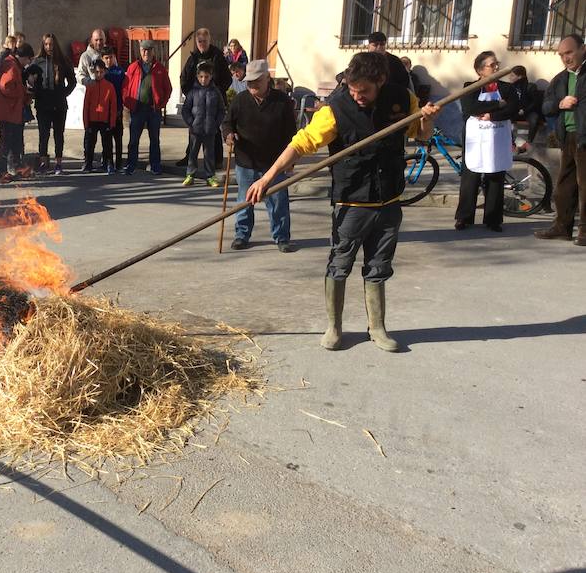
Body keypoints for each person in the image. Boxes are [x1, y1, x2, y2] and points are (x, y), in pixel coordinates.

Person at [245, 52, 440, 352]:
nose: (358, 96)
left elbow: (421, 134)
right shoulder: (335, 108)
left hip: (389, 199)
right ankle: (334, 328)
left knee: (378, 266)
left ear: (381, 81)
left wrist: (427, 121)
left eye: (364, 91)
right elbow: (301, 143)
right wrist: (267, 178)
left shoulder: (402, 98)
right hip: (352, 201)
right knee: (340, 264)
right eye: (353, 90)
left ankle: (377, 327)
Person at [221, 60, 296, 251]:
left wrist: (291, 160)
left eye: (256, 81)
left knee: (278, 201)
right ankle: (241, 235)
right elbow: (227, 123)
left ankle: (281, 237)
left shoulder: (282, 101)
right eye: (249, 81)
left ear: (267, 79)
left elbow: (291, 133)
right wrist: (228, 135)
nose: (252, 85)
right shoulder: (240, 100)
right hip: (246, 161)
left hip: (275, 162)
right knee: (244, 201)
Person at [454, 51, 518, 232]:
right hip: (475, 140)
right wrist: (498, 104)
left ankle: (493, 219)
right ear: (480, 70)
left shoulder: (507, 88)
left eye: (497, 63)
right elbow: (470, 107)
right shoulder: (470, 87)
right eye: (492, 65)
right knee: (470, 178)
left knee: (496, 176)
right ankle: (464, 217)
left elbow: (513, 108)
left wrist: (492, 115)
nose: (496, 67)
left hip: (497, 138)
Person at [535, 33, 586, 246]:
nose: (566, 58)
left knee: (585, 184)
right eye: (561, 55)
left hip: (585, 136)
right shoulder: (560, 79)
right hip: (567, 136)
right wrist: (559, 103)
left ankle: (584, 231)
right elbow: (545, 106)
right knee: (564, 184)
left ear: (583, 49)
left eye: (569, 52)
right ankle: (562, 226)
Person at [178, 28, 232, 168]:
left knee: (214, 130)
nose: (202, 44)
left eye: (205, 41)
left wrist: (217, 93)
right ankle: (190, 158)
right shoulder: (193, 58)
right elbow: (184, 78)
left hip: (214, 100)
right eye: (200, 41)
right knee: (194, 130)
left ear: (209, 41)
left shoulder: (218, 57)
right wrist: (191, 95)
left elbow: (227, 79)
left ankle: (217, 160)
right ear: (196, 42)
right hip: (197, 100)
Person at [123, 40, 172, 176]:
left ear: (153, 51)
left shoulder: (160, 68)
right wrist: (127, 102)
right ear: (140, 51)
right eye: (144, 50)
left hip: (153, 110)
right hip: (137, 108)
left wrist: (161, 104)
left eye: (149, 50)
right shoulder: (133, 67)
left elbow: (168, 88)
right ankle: (131, 165)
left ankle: (155, 165)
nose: (146, 53)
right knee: (133, 140)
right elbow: (125, 87)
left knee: (155, 139)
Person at [32, 32, 76, 175]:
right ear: (43, 45)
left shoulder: (63, 61)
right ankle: (44, 163)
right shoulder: (37, 62)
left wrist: (63, 93)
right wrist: (35, 92)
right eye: (46, 44)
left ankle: (58, 164)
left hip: (59, 105)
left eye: (51, 44)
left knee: (59, 134)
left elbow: (72, 82)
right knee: (43, 134)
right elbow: (29, 79)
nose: (49, 47)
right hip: (43, 104)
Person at [0, 42, 34, 183]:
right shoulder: (12, 66)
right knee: (5, 142)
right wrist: (22, 93)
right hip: (7, 111)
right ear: (24, 57)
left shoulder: (11, 63)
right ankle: (1, 172)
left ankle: (13, 168)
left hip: (9, 110)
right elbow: (6, 86)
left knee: (12, 141)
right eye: (29, 59)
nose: (28, 63)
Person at [182, 61, 224, 187]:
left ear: (211, 76)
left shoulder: (216, 92)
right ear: (197, 76)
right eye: (201, 76)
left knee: (209, 154)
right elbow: (185, 109)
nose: (203, 79)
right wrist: (191, 123)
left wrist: (216, 123)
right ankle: (190, 175)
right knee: (192, 153)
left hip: (210, 129)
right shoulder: (193, 92)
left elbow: (221, 110)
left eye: (206, 76)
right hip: (195, 129)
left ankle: (210, 176)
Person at [82, 59, 117, 174]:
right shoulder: (90, 86)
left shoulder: (109, 86)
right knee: (89, 143)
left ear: (104, 72)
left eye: (101, 72)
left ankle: (109, 164)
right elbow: (86, 106)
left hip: (104, 119)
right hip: (92, 119)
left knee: (107, 144)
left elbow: (113, 106)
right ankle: (88, 163)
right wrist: (86, 123)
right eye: (97, 72)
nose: (99, 74)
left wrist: (112, 123)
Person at [101, 46, 127, 172]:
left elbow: (123, 91)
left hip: (117, 109)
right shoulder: (101, 73)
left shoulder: (119, 72)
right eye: (106, 58)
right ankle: (108, 162)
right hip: (105, 111)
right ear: (102, 59)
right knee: (107, 138)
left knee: (118, 137)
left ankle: (119, 163)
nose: (108, 60)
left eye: (111, 57)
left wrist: (120, 108)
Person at [508, 65, 543, 153]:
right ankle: (512, 144)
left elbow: (535, 103)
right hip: (516, 112)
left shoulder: (530, 86)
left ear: (520, 76)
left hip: (528, 112)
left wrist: (524, 110)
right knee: (506, 119)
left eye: (512, 75)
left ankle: (529, 143)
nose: (509, 78)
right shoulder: (510, 88)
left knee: (534, 119)